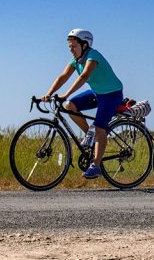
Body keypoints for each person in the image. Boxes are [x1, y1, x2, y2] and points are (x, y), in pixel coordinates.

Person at [40, 29, 124, 179]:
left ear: (85, 45)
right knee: (69, 105)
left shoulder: (93, 56)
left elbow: (84, 76)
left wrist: (66, 94)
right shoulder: (75, 61)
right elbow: (63, 76)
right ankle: (90, 136)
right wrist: (49, 93)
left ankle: (96, 166)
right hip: (97, 93)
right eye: (69, 47)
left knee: (100, 127)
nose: (71, 50)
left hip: (112, 94)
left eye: (74, 46)